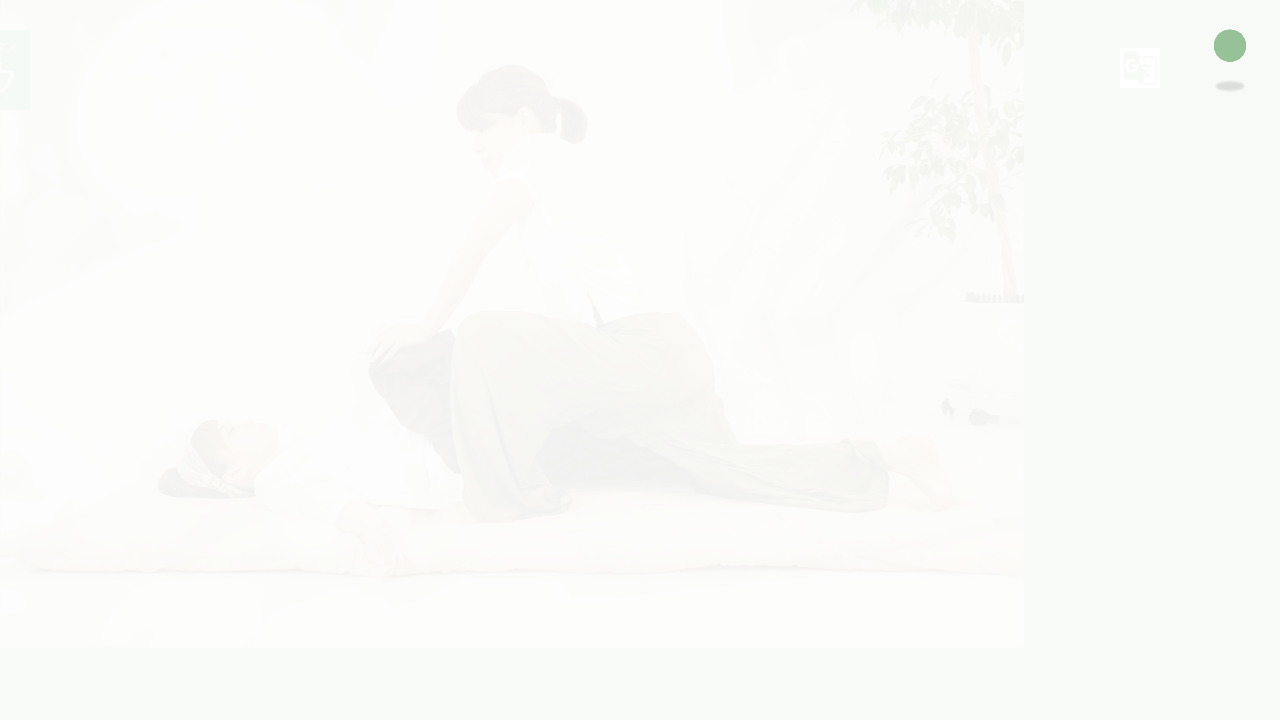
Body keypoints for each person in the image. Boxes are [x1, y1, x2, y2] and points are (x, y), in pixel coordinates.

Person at [366, 65, 947, 524]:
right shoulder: (563, 170)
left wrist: (424, 326)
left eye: (483, 127)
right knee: (724, 470)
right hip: (662, 360)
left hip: (644, 351)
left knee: (481, 334)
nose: (474, 145)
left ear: (523, 120)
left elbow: (473, 246)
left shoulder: (538, 152)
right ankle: (887, 455)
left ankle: (494, 499)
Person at [158, 417, 470, 573]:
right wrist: (377, 534)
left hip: (433, 437)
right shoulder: (276, 483)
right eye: (232, 430)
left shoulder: (291, 448)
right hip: (439, 460)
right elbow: (337, 506)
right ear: (235, 471)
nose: (246, 422)